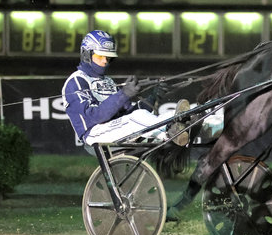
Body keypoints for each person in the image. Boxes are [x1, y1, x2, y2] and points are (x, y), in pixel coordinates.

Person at [61, 30, 189, 148]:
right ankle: (169, 133)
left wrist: (154, 96)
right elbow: (93, 117)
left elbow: (128, 114)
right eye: (100, 57)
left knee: (169, 115)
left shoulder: (108, 81)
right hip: (94, 133)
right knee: (138, 117)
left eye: (108, 58)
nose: (105, 61)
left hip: (114, 128)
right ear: (86, 55)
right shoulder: (76, 81)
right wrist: (123, 94)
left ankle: (186, 126)